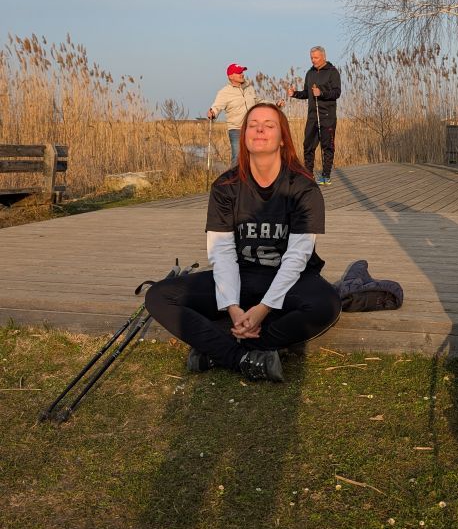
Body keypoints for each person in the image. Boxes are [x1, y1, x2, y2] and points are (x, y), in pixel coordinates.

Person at [145, 102, 341, 382]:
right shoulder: (225, 187)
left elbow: (298, 257)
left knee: (327, 304)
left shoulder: (303, 188)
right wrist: (233, 307)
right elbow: (222, 253)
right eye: (253, 124)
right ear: (245, 134)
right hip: (240, 277)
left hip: (289, 281)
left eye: (269, 125)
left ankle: (220, 346)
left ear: (283, 138)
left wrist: (262, 310)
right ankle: (245, 358)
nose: (260, 129)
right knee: (159, 296)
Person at [287, 46, 341, 185]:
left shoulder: (332, 72)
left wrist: (321, 93)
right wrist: (295, 94)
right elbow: (307, 93)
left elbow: (336, 93)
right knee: (308, 146)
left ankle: (326, 175)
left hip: (327, 116)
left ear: (323, 56)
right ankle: (308, 175)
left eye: (316, 57)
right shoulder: (310, 73)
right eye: (311, 57)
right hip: (312, 116)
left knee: (327, 146)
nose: (313, 60)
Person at [208, 63, 257, 165]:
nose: (242, 74)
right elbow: (217, 106)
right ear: (231, 76)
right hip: (236, 129)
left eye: (242, 71)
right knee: (237, 158)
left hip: (252, 128)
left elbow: (258, 101)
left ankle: (250, 180)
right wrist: (212, 112)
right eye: (239, 72)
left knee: (254, 157)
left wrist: (275, 105)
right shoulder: (224, 92)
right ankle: (234, 180)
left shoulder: (249, 88)